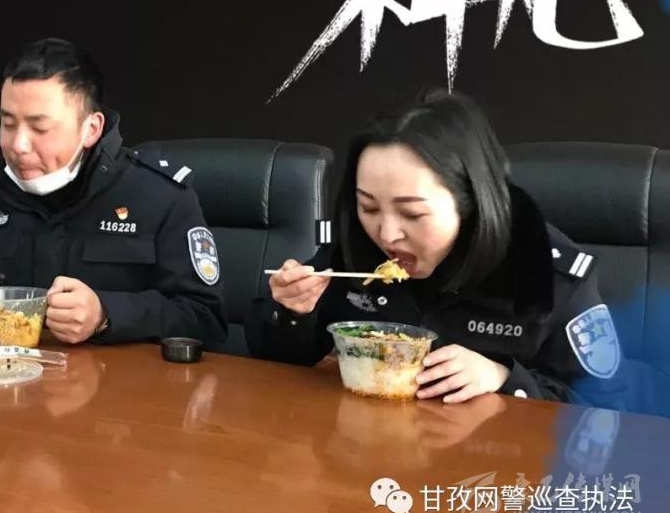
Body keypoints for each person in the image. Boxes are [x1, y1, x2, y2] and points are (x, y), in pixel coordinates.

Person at [245, 89, 624, 405]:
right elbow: (277, 362)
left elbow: (608, 408)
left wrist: (505, 378)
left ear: (471, 203)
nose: (387, 234)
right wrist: (292, 310)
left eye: (412, 214)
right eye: (369, 207)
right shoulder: (354, 249)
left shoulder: (547, 273)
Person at [0, 38, 227, 347]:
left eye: (40, 128)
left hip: (110, 389)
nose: (18, 146)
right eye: (7, 123)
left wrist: (107, 314)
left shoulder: (158, 195)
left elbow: (205, 320)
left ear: (91, 129)